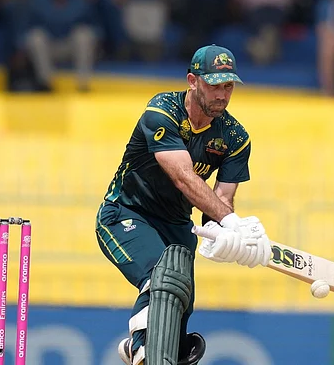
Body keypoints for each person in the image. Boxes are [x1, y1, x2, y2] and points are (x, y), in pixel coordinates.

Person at [95, 45, 271, 365]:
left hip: (178, 228)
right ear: (192, 80)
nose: (222, 94)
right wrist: (232, 222)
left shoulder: (234, 137)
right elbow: (184, 177)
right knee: (159, 277)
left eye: (228, 86)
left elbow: (220, 202)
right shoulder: (162, 111)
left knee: (176, 309)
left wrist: (233, 238)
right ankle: (141, 348)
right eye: (214, 85)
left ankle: (145, 349)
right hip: (127, 213)